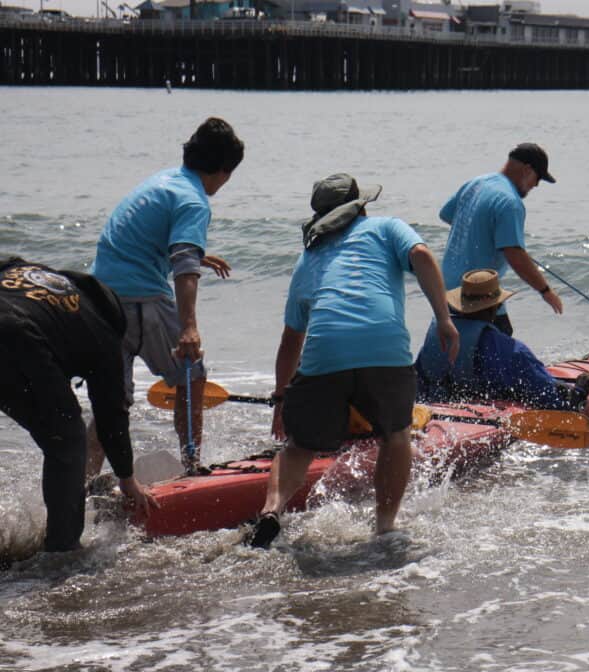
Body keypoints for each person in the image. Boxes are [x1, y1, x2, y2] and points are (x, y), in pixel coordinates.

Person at [248, 173, 459, 549]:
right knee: (395, 435)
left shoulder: (308, 257)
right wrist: (443, 319)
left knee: (298, 446)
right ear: (360, 206)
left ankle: (272, 511)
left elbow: (291, 338)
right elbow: (423, 256)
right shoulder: (387, 227)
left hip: (324, 353)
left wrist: (281, 400)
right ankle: (384, 527)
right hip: (385, 350)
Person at [89, 117, 245, 474]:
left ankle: (80, 485)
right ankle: (192, 468)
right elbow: (184, 264)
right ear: (225, 171)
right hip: (138, 301)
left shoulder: (161, 182)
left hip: (100, 300)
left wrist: (199, 255)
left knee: (112, 403)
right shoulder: (194, 201)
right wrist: (188, 328)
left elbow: (146, 238)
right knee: (192, 374)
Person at [0, 256, 158, 554]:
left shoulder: (38, 274)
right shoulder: (102, 333)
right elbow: (111, 417)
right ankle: (63, 550)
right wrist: (128, 480)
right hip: (15, 337)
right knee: (68, 439)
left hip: (15, 328)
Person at [416, 269, 589, 409]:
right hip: (481, 418)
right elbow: (557, 405)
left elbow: (416, 384)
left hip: (435, 409)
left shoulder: (436, 335)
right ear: (495, 308)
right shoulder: (511, 351)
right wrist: (580, 390)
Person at [438, 142, 563, 337]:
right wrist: (546, 291)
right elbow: (515, 256)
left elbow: (446, 214)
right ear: (527, 170)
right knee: (502, 343)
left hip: (446, 292)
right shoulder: (510, 203)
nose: (536, 185)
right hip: (479, 298)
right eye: (537, 179)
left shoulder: (476, 183)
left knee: (458, 348)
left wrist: (481, 230)